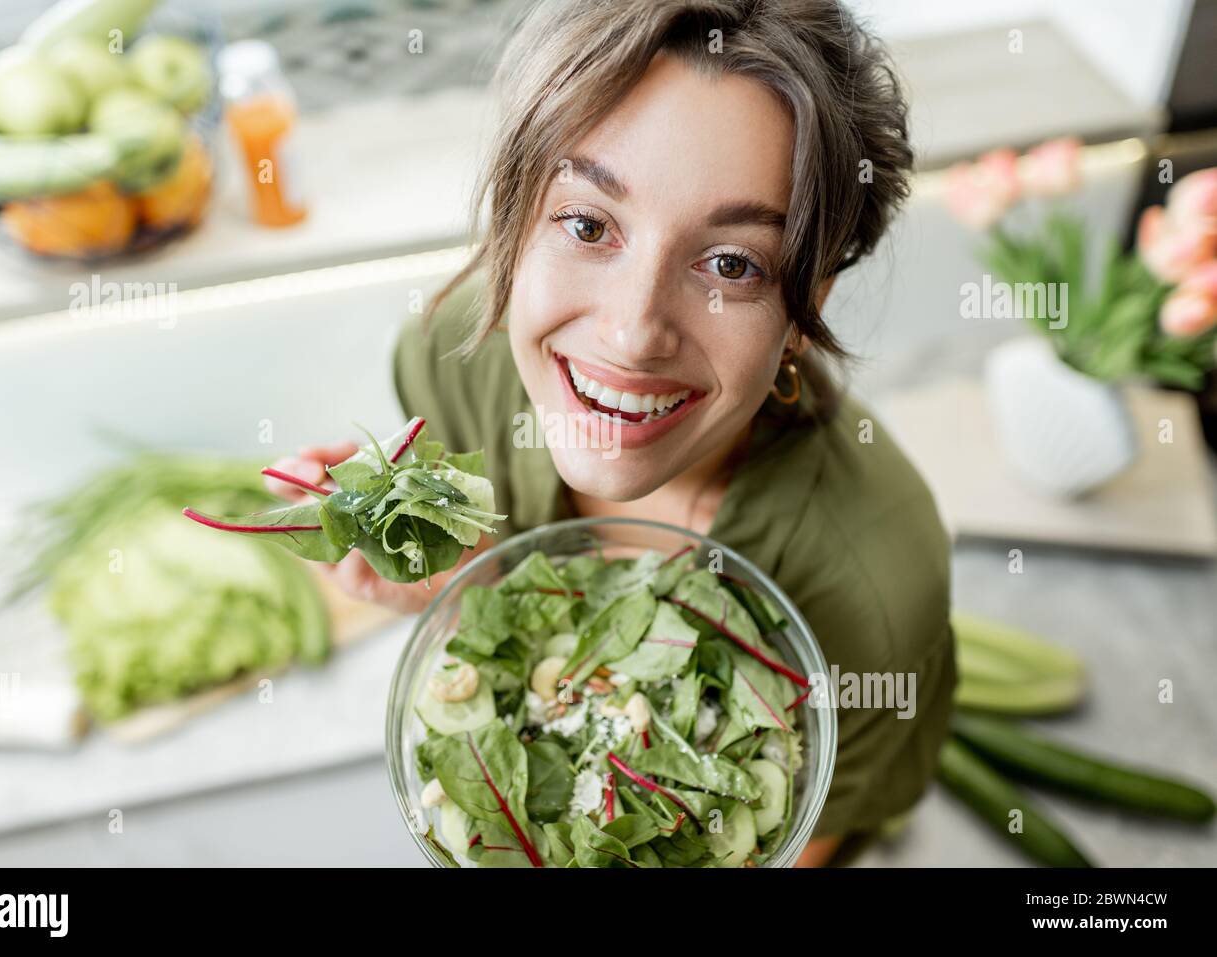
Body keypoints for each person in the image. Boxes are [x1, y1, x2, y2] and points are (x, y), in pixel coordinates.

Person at [268, 0, 955, 866]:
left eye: (732, 263)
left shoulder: (869, 586)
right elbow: (511, 626)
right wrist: (450, 588)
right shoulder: (454, 365)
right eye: (588, 225)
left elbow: (793, 841)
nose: (633, 334)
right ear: (514, 224)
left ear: (805, 311)